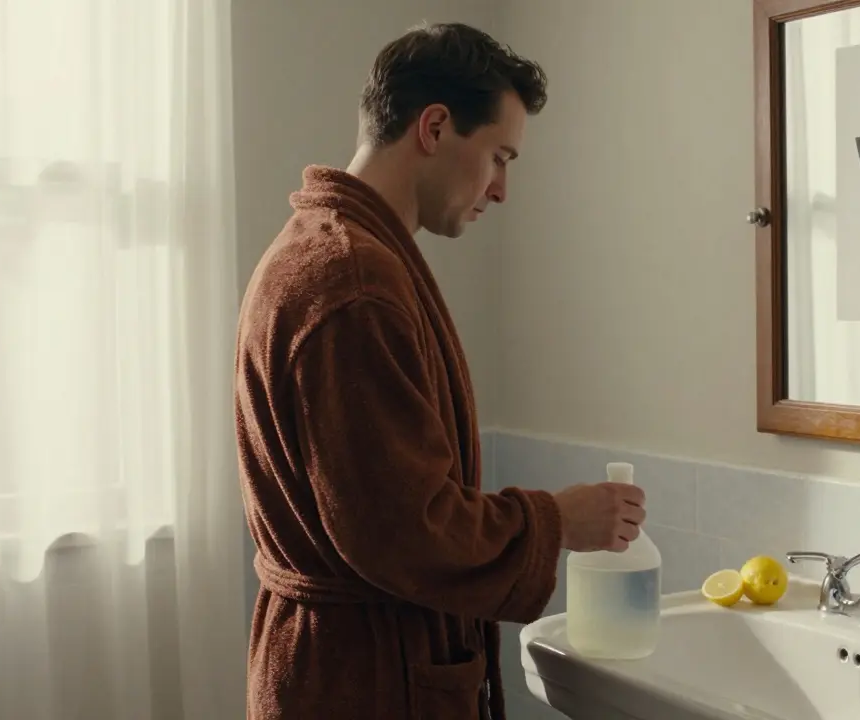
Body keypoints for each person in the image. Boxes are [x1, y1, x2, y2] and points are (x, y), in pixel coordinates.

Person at [233, 22, 647, 720]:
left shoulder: (327, 250)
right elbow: (405, 529)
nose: (502, 189)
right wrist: (556, 520)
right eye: (499, 156)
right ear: (433, 127)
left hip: (341, 662)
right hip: (365, 683)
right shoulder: (354, 281)